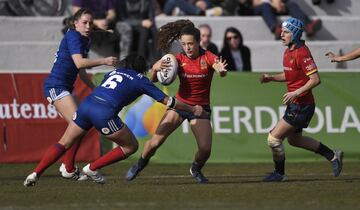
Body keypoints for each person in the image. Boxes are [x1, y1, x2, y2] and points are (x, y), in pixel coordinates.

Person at [24, 54, 205, 187]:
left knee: (63, 142)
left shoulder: (114, 73)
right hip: (103, 113)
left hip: (87, 105)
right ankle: (92, 168)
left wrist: (153, 71)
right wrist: (192, 108)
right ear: (141, 69)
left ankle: (35, 173)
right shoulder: (141, 79)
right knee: (130, 146)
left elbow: (134, 86)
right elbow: (168, 101)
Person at [125, 19, 228, 184]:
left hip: (200, 109)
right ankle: (140, 164)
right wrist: (155, 69)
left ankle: (195, 168)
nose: (187, 47)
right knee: (155, 142)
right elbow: (151, 82)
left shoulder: (207, 56)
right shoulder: (176, 59)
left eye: (191, 44)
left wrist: (221, 70)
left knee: (205, 149)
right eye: (184, 44)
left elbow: (218, 67)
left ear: (198, 41)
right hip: (180, 105)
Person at [259, 17, 343, 182]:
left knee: (273, 139)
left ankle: (279, 174)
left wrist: (296, 93)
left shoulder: (302, 52)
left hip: (302, 105)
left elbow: (315, 79)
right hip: (297, 105)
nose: (282, 35)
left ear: (295, 33)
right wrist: (271, 78)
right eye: (282, 31)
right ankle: (333, 156)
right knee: (295, 140)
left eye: (286, 32)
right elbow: (289, 75)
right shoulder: (288, 51)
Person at [43, 8, 118, 181]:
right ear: (75, 23)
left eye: (90, 23)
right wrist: (104, 61)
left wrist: (93, 87)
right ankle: (67, 167)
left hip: (66, 88)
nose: (88, 26)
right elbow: (79, 62)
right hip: (55, 86)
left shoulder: (85, 40)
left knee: (81, 125)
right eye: (84, 22)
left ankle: (68, 166)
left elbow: (81, 70)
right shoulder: (73, 36)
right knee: (78, 125)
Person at [253, 0, 322, 40]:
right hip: (262, 6)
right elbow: (255, 2)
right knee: (265, 6)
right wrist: (272, 3)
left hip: (278, 6)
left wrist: (280, 3)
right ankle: (276, 29)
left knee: (291, 4)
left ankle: (307, 26)